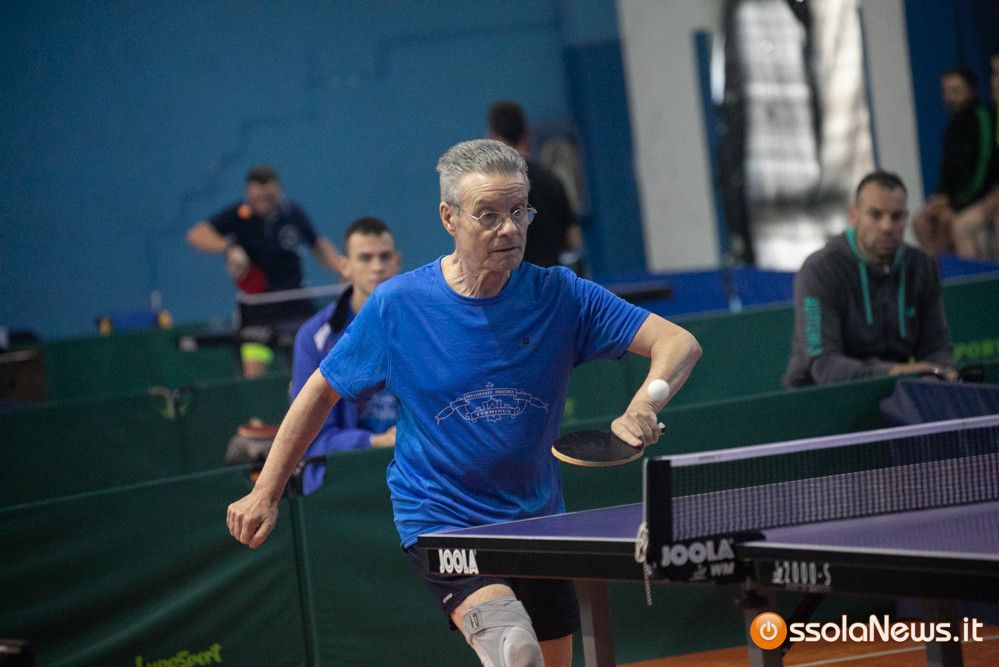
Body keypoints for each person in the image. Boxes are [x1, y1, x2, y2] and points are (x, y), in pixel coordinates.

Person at [227, 139, 701, 666]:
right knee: (513, 647)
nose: (509, 228)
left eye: (519, 211)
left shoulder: (561, 296)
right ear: (449, 218)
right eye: (489, 215)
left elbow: (678, 343)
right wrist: (265, 491)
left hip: (538, 522)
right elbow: (319, 391)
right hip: (442, 518)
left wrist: (644, 404)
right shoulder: (399, 306)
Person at [784, 171, 957, 387]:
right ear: (854, 215)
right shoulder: (819, 271)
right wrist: (893, 372)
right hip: (822, 397)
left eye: (896, 216)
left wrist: (941, 372)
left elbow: (937, 347)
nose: (887, 226)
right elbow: (823, 364)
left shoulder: (922, 267)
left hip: (898, 391)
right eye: (875, 215)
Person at [186, 165, 344, 377]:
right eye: (257, 197)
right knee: (254, 376)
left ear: (279, 189)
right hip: (256, 309)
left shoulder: (293, 213)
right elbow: (197, 234)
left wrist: (343, 269)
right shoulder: (238, 214)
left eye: (268, 196)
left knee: (315, 367)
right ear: (248, 192)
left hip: (295, 302)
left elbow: (317, 245)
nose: (263, 201)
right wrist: (229, 248)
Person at [291, 216, 401, 494]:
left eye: (385, 256)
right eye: (365, 258)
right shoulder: (314, 337)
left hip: (413, 468)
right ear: (345, 266)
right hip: (346, 477)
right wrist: (374, 442)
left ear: (397, 261)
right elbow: (311, 439)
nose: (377, 266)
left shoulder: (422, 324)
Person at [912, 67, 996, 258]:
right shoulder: (952, 125)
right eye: (946, 92)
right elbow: (947, 170)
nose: (951, 98)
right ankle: (936, 271)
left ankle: (970, 275)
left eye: (956, 91)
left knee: (948, 223)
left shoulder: (982, 117)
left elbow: (982, 170)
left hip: (977, 196)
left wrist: (956, 203)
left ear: (972, 90)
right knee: (921, 222)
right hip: (953, 198)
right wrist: (939, 197)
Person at [488, 100, 581, 268]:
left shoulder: (493, 184)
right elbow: (573, 239)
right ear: (525, 133)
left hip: (514, 277)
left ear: (493, 134)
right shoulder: (551, 179)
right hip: (550, 275)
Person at [951, 47, 999, 259]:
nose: (996, 82)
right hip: (993, 195)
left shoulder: (982, 116)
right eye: (994, 74)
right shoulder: (996, 115)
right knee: (960, 226)